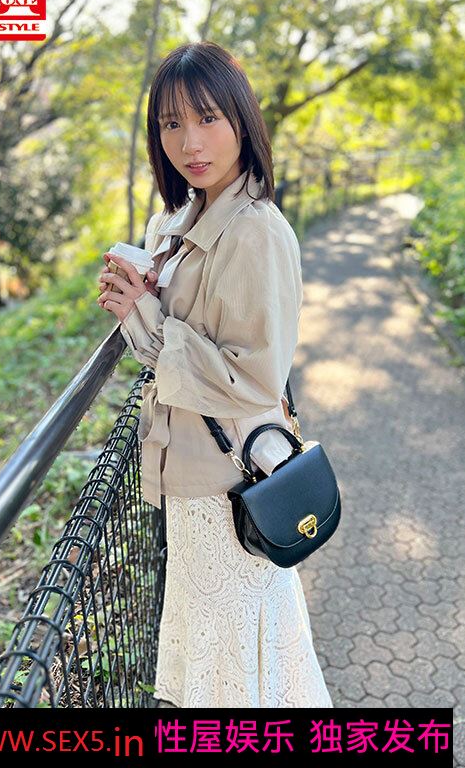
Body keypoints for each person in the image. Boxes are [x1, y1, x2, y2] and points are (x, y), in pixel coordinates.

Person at [97, 41, 333, 708]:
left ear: (241, 120)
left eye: (207, 118)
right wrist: (144, 290)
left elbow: (254, 377)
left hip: (229, 482)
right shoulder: (186, 218)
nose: (189, 142)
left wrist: (144, 313)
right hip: (195, 474)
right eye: (171, 123)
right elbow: (183, 333)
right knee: (235, 661)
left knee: (235, 669)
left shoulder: (256, 230)